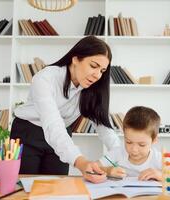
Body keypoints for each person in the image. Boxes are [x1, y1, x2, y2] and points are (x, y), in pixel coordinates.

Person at [10, 36, 120, 183]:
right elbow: (52, 123)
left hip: (62, 134)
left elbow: (104, 128)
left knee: (57, 187)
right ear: (75, 59)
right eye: (93, 66)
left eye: (102, 71)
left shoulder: (92, 89)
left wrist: (125, 155)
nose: (97, 75)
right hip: (27, 133)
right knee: (24, 187)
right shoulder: (45, 78)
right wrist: (82, 163)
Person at [98, 106, 163, 181]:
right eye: (129, 142)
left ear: (154, 140)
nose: (134, 150)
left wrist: (161, 175)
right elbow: (92, 168)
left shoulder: (158, 158)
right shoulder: (117, 152)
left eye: (141, 145)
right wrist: (108, 170)